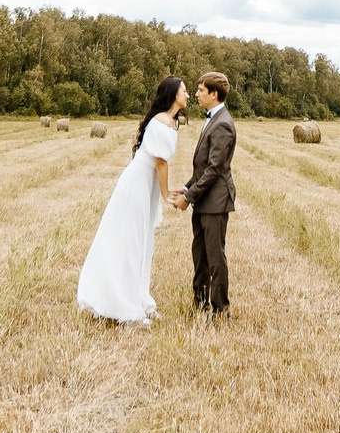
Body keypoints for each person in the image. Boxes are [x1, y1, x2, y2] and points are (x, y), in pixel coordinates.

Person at [75, 75, 187, 324]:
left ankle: (140, 299)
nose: (188, 94)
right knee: (132, 239)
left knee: (143, 240)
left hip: (144, 184)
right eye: (184, 90)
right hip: (138, 184)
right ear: (173, 94)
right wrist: (166, 193)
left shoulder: (167, 120)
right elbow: (160, 162)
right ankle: (125, 306)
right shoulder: (161, 122)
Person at [171, 70, 236, 315]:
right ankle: (200, 303)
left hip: (216, 202)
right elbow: (202, 167)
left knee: (215, 257)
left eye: (200, 90)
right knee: (200, 255)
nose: (196, 94)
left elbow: (214, 169)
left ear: (214, 94)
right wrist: (187, 187)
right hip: (204, 200)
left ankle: (221, 309)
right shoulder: (212, 119)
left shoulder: (223, 124)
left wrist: (188, 198)